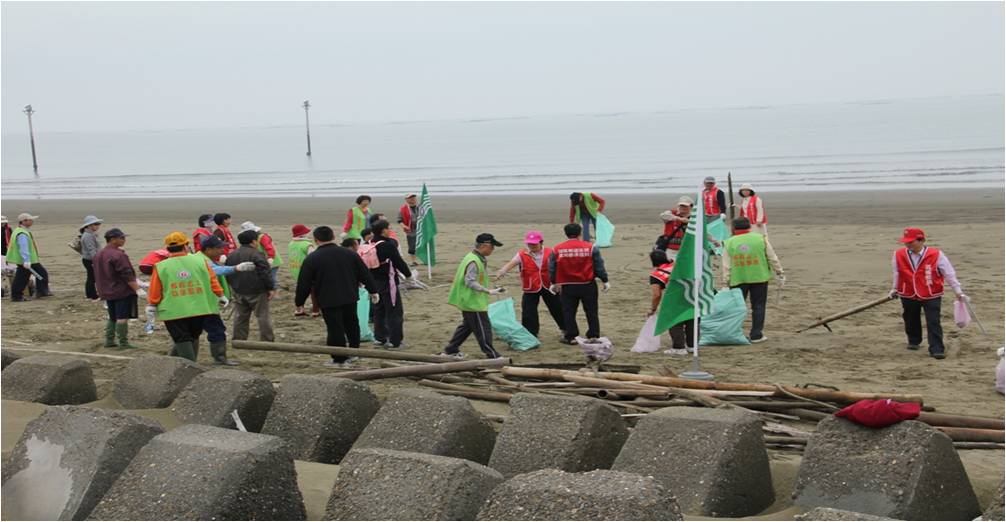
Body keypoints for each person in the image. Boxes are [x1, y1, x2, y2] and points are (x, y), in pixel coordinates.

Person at [295, 225, 378, 367]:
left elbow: (304, 282)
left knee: (335, 328)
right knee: (352, 324)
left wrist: (299, 302)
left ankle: (339, 359)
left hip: (328, 298)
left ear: (316, 240)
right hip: (349, 295)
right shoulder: (349, 254)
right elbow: (364, 273)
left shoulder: (313, 258)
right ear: (333, 237)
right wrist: (373, 290)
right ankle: (354, 352)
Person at [148, 232, 227, 361]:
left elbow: (155, 289)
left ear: (167, 248)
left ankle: (188, 366)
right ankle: (179, 364)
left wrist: (152, 304)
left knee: (182, 338)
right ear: (186, 246)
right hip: (198, 308)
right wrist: (221, 295)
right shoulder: (200, 261)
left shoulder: (161, 266)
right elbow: (212, 280)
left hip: (173, 311)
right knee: (192, 336)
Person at [889, 227, 963, 360]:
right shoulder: (898, 254)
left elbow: (949, 273)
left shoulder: (936, 254)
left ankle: (936, 349)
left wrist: (958, 291)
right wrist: (894, 288)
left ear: (921, 240)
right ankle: (914, 340)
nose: (908, 244)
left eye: (911, 242)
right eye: (906, 242)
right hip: (908, 292)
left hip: (931, 293)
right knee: (910, 318)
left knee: (933, 321)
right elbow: (897, 273)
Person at [442, 233, 506, 359]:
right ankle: (492, 354)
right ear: (483, 246)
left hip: (469, 299)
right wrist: (488, 291)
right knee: (483, 327)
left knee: (467, 326)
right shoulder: (474, 261)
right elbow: (469, 281)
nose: (493, 250)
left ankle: (451, 349)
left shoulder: (473, 257)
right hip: (472, 301)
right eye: (492, 247)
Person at [722, 217, 784, 344]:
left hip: (738, 279)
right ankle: (756, 334)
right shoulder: (760, 238)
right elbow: (772, 257)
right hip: (759, 277)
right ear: (749, 227)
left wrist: (726, 280)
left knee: (737, 308)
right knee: (759, 306)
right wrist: (779, 271)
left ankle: (734, 333)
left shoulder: (729, 242)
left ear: (734, 228)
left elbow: (726, 265)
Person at [494, 230, 564, 338]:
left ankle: (566, 329)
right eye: (529, 243)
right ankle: (531, 333)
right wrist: (502, 271)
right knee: (528, 310)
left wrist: (559, 283)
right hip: (530, 286)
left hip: (548, 285)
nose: (532, 246)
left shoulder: (551, 252)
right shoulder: (522, 254)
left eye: (534, 243)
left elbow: (559, 267)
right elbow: (512, 263)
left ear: (541, 242)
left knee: (557, 307)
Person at [548, 223, 610, 344]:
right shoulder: (590, 247)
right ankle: (593, 335)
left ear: (565, 234)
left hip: (568, 285)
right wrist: (605, 280)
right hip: (587, 284)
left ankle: (571, 336)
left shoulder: (557, 249)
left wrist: (553, 282)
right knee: (591, 310)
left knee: (569, 311)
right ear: (580, 233)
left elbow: (552, 268)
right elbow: (598, 266)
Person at [199, 236, 254, 365]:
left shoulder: (205, 259)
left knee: (191, 332)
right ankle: (220, 358)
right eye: (218, 248)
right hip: (203, 304)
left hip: (202, 303)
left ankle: (179, 357)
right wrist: (235, 268)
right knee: (217, 330)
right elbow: (213, 271)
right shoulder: (202, 260)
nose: (221, 251)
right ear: (208, 249)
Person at [92, 228, 143, 349]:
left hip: (106, 291)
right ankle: (123, 342)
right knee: (122, 317)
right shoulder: (118, 255)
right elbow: (127, 274)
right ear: (113, 239)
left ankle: (109, 340)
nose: (124, 240)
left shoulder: (98, 254)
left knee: (112, 316)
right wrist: (137, 289)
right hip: (121, 291)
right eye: (122, 238)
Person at [366, 219, 413, 348]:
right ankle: (395, 341)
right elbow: (399, 262)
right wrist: (409, 276)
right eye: (388, 228)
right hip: (388, 282)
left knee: (378, 311)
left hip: (373, 283)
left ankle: (380, 338)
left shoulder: (368, 243)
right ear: (383, 230)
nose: (390, 230)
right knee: (394, 312)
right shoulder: (386, 245)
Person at [226, 230, 276, 344]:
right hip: (257, 291)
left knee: (240, 317)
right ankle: (267, 340)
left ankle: (238, 340)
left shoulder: (232, 255)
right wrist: (271, 288)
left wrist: (233, 286)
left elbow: (228, 273)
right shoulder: (257, 254)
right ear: (253, 241)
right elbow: (265, 272)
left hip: (238, 290)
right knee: (262, 316)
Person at [647, 250, 696, 355]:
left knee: (675, 322)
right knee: (691, 320)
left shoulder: (656, 275)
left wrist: (653, 309)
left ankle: (679, 348)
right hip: (692, 296)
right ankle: (692, 346)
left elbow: (657, 295)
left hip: (675, 300)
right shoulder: (679, 265)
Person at [8, 213, 51, 301]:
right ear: (24, 221)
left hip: (28, 261)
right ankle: (18, 296)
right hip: (28, 261)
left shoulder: (20, 231)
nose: (32, 221)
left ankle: (40, 291)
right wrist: (26, 260)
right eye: (30, 220)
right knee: (39, 275)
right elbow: (23, 247)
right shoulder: (22, 233)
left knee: (24, 278)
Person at [288, 224, 319, 317]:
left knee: (300, 291)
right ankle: (315, 311)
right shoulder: (307, 244)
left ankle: (299, 309)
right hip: (308, 272)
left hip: (296, 271)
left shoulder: (291, 243)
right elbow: (314, 257)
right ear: (303, 234)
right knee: (314, 292)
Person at [240, 221, 282, 288]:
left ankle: (274, 289)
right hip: (263, 261)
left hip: (272, 261)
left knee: (271, 277)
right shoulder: (253, 239)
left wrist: (270, 258)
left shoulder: (262, 237)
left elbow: (270, 248)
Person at [657, 196, 694, 261]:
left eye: (685, 206)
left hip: (686, 249)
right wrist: (680, 219)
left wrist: (714, 241)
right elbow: (663, 216)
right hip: (670, 249)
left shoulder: (694, 218)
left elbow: (702, 231)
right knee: (669, 268)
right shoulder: (672, 213)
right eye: (681, 205)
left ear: (691, 206)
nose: (682, 207)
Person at [79, 215, 103, 301]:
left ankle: (91, 294)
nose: (98, 226)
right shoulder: (88, 236)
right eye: (95, 224)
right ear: (89, 225)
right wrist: (96, 261)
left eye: (98, 224)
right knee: (92, 278)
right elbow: (91, 250)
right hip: (90, 260)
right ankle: (92, 295)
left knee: (92, 277)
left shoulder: (91, 234)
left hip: (91, 259)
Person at [397, 193, 420, 265]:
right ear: (406, 200)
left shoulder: (421, 207)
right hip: (411, 230)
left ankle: (425, 259)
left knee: (423, 244)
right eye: (410, 198)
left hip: (421, 229)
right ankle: (414, 261)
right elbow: (399, 220)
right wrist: (403, 226)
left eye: (413, 197)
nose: (412, 199)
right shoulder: (403, 209)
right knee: (412, 246)